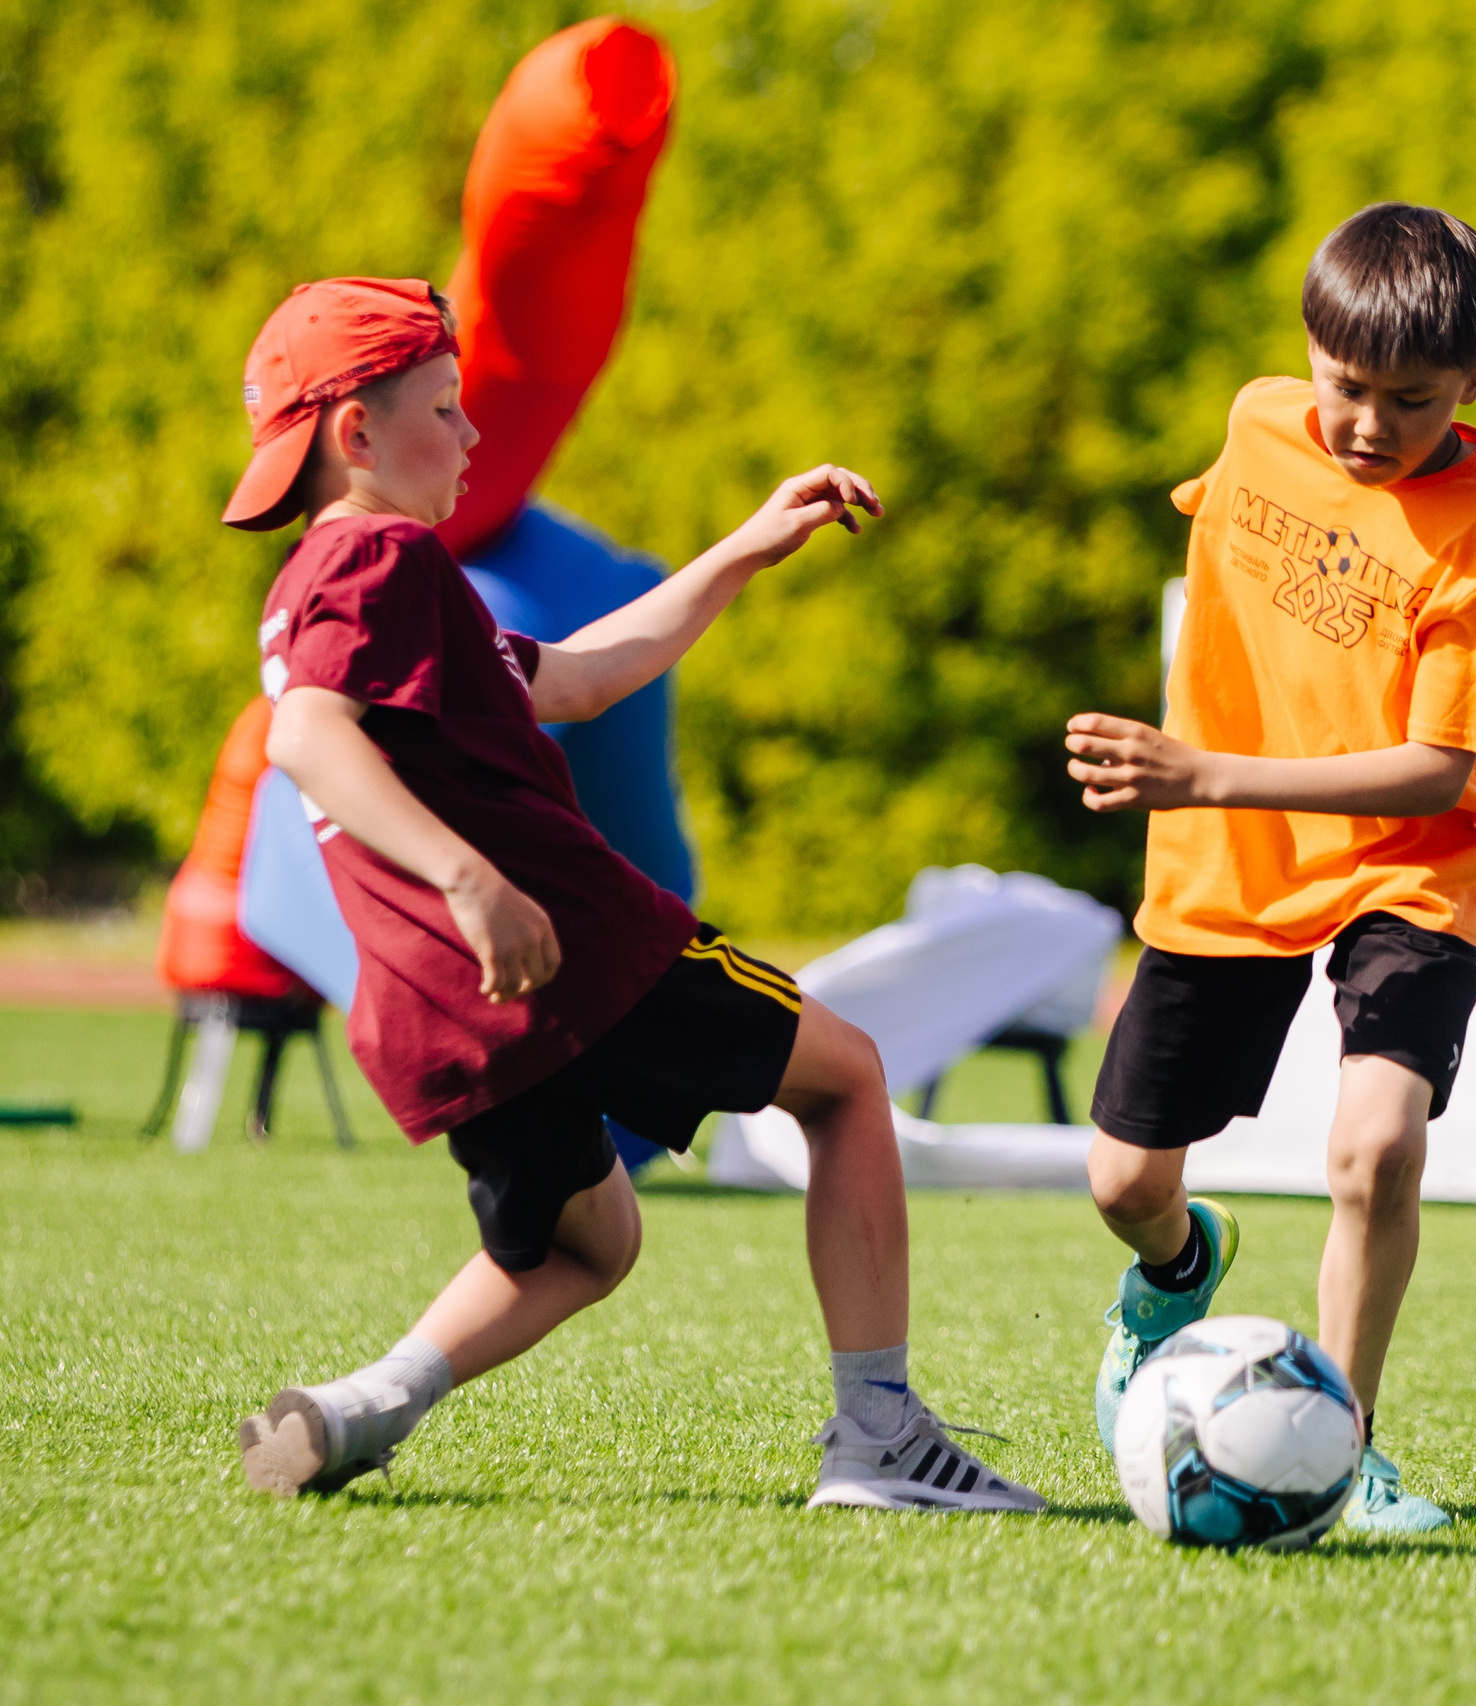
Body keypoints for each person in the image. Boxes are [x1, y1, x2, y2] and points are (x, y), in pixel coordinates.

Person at [228, 277, 1044, 1512]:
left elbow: (577, 679)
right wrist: (470, 875)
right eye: (444, 409)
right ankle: (881, 1435)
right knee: (848, 1077)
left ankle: (355, 1410)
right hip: (572, 948)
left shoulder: (336, 582)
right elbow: (304, 732)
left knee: (587, 1241)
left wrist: (744, 548)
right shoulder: (380, 552)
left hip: (438, 1006)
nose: (471, 434)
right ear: (356, 433)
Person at [1062, 205, 1476, 1530]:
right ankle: (1177, 1269)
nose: (1370, 425)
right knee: (1123, 1182)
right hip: (1234, 857)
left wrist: (1201, 768)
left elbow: (1437, 769)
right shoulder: (1257, 422)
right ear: (1309, 354)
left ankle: (1347, 1442)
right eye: (1348, 386)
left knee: (1376, 1147)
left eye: (1412, 400)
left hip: (1411, 864)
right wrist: (1207, 779)